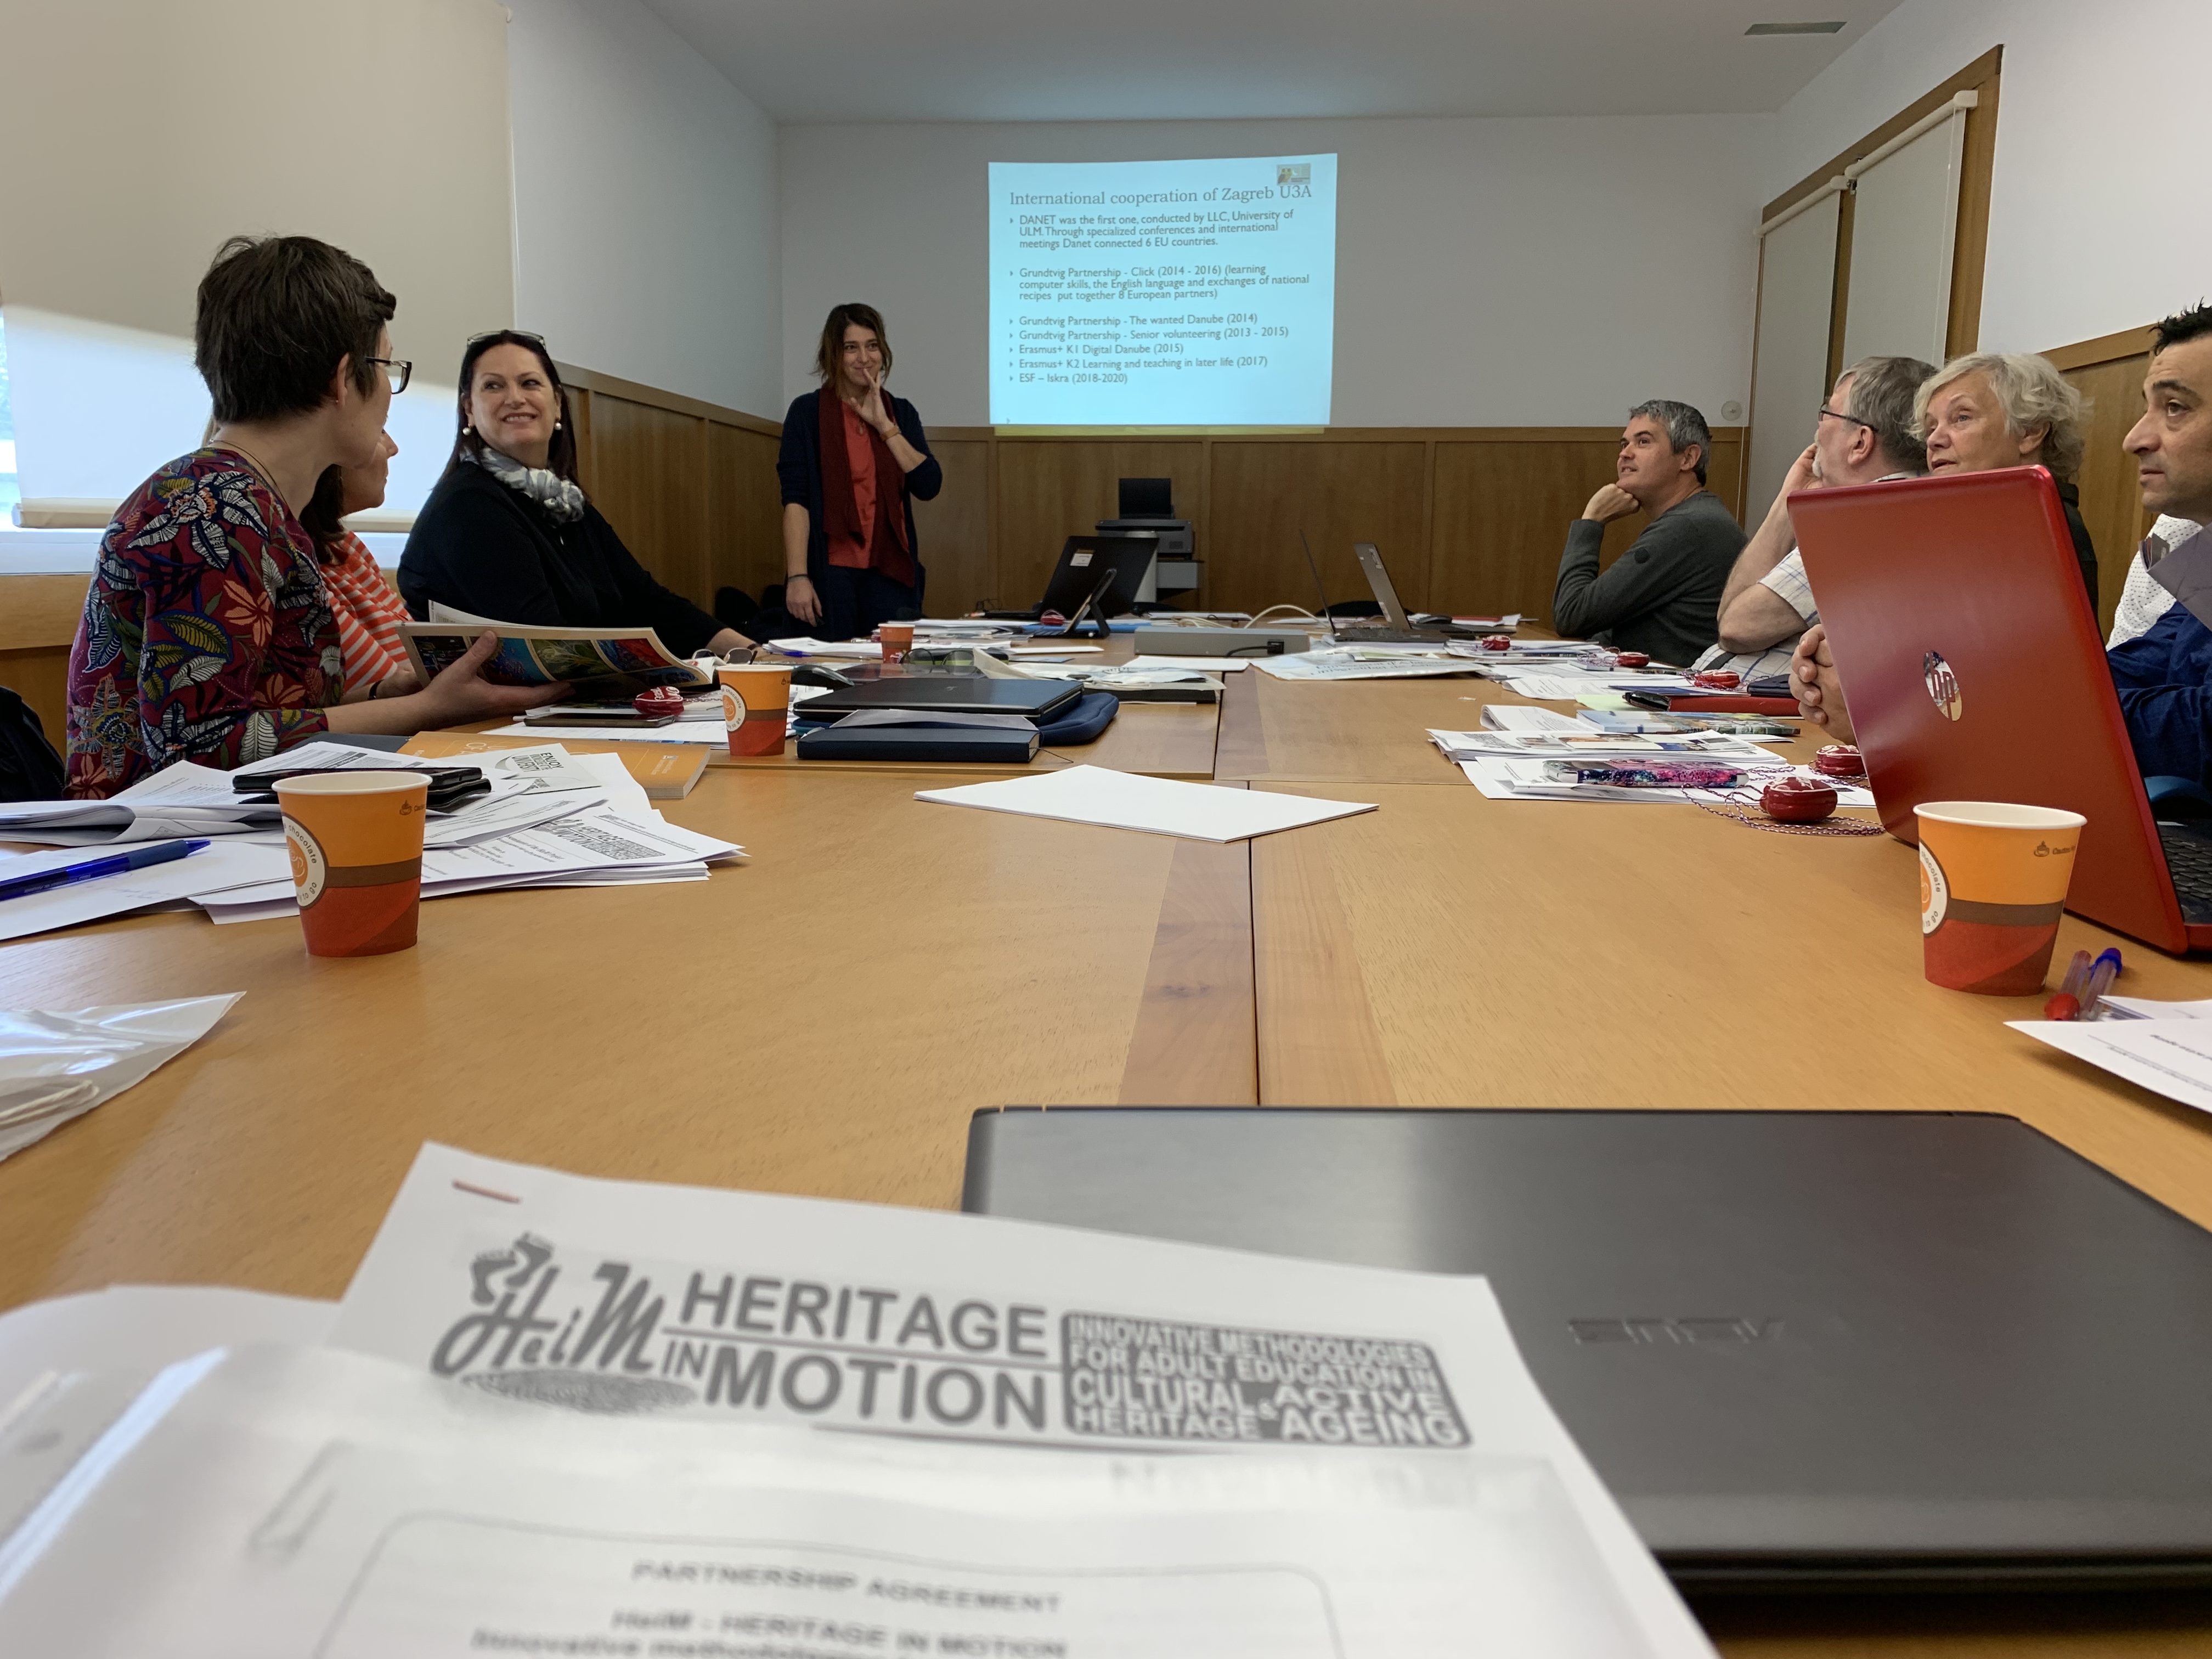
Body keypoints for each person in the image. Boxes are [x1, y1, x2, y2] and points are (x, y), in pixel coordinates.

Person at [65, 237, 560, 800]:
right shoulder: (213, 509)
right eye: (387, 367)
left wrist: (390, 694)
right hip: (160, 837)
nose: (389, 394)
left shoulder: (253, 502)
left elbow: (275, 713)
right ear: (341, 379)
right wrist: (426, 710)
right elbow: (199, 749)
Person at [398, 331, 751, 658]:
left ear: (556, 403)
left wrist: (754, 653)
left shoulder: (562, 502)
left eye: (529, 383)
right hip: (513, 703)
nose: (515, 398)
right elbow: (551, 648)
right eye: (493, 386)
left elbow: (650, 601)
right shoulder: (469, 506)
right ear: (469, 410)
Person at [1694, 356, 1933, 685]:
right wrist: (1789, 501)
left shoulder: (1873, 519)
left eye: (1828, 414)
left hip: (1750, 708)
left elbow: (1736, 628)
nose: (1818, 429)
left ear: (1860, 442)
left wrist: (1785, 504)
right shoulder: (1882, 509)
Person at [774, 303, 943, 641]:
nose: (864, 358)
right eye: (851, 348)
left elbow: (929, 485)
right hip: (830, 574)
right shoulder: (807, 412)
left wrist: (884, 426)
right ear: (834, 355)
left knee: (892, 669)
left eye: (872, 346)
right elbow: (796, 501)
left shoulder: (901, 413)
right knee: (833, 666)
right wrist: (798, 577)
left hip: (890, 572)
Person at [2103, 304, 2212, 782]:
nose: (2134, 439)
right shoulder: (2202, 548)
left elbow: (2204, 734)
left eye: (2174, 408)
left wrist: (2061, 709)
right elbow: (2140, 663)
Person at [1553, 400, 1744, 664]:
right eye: (1624, 444)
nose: (1625, 454)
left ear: (1688, 458)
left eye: (1643, 442)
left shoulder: (1689, 526)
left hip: (1669, 686)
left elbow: (1571, 615)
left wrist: (1592, 520)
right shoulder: (1696, 517)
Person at [1917, 351, 2098, 602]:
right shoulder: (1954, 525)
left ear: (2029, 432)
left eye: (1961, 418)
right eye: (1931, 427)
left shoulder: (2048, 530)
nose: (1934, 440)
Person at [299, 431, 419, 701]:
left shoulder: (345, 544)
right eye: (379, 431)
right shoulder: (298, 565)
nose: (393, 448)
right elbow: (400, 696)